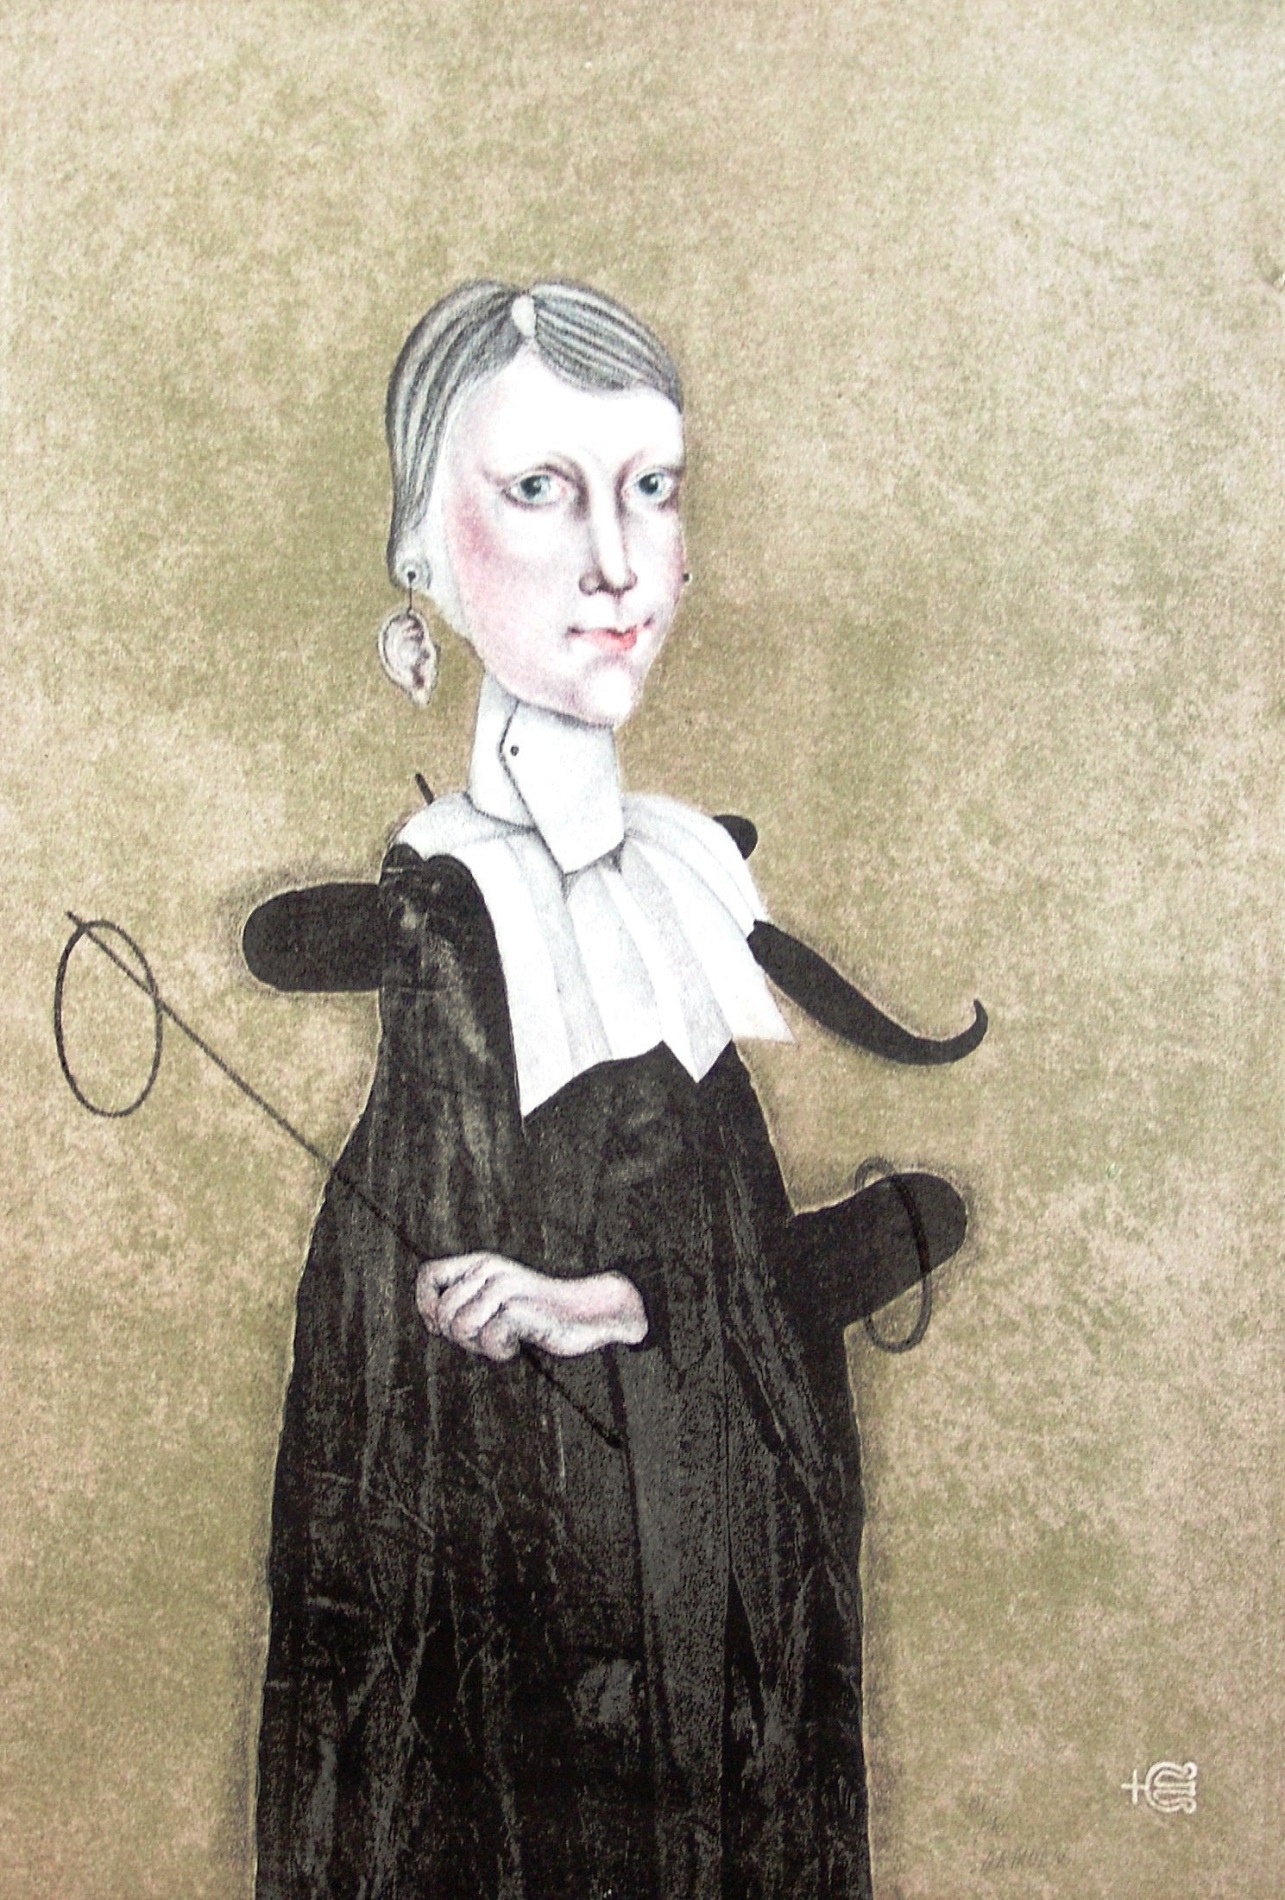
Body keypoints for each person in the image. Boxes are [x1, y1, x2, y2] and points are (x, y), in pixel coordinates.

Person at [245, 280, 986, 1900]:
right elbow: (393, 1513)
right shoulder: (439, 928)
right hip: (530, 1741)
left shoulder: (695, 878)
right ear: (422, 551)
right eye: (538, 488)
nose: (615, 563)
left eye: (649, 488)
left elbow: (844, 1257)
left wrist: (632, 1304)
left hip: (729, 1674)